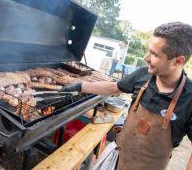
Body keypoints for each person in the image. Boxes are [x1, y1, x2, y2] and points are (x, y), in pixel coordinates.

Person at [59, 22, 192, 170]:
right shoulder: (143, 74)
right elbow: (114, 87)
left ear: (178, 61)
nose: (145, 57)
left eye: (154, 54)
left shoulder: (189, 99)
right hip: (117, 159)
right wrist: (80, 86)